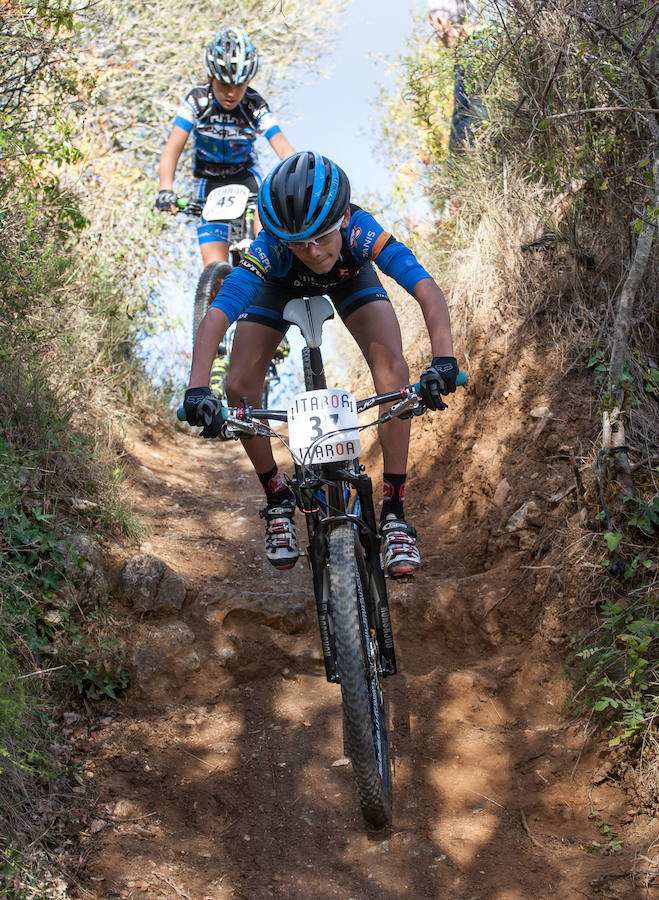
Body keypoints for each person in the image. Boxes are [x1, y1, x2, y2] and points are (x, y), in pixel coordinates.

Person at [182, 151, 459, 578]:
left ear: (341, 221)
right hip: (277, 286)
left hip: (351, 278)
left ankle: (395, 514)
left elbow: (424, 287)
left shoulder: (359, 229)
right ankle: (277, 499)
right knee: (238, 386)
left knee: (395, 376)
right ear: (280, 236)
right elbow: (220, 311)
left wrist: (444, 360)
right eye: (299, 242)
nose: (312, 251)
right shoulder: (270, 247)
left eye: (321, 237)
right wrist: (199, 386)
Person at [155, 26, 295, 266]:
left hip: (246, 177)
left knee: (267, 242)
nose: (231, 93)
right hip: (208, 182)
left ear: (248, 82)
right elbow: (172, 150)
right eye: (224, 85)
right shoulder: (197, 100)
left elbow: (283, 148)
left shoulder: (254, 104)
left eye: (239, 86)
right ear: (211, 78)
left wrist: (296, 184)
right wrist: (165, 189)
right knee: (213, 266)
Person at [427, 1, 488, 154]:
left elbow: (478, 114)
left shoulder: (473, 50)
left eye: (433, 27)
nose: (438, 37)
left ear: (440, 22)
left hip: (480, 159)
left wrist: (458, 169)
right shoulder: (496, 39)